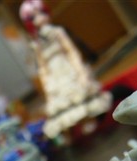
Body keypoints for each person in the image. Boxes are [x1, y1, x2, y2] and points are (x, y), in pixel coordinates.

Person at [19, 0, 112, 139]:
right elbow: (42, 66)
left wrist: (80, 70)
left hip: (66, 67)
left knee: (78, 92)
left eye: (42, 13)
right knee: (61, 100)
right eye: (34, 17)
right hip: (54, 75)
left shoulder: (57, 32)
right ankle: (71, 130)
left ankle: (89, 120)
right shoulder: (36, 44)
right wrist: (46, 83)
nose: (40, 18)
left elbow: (71, 51)